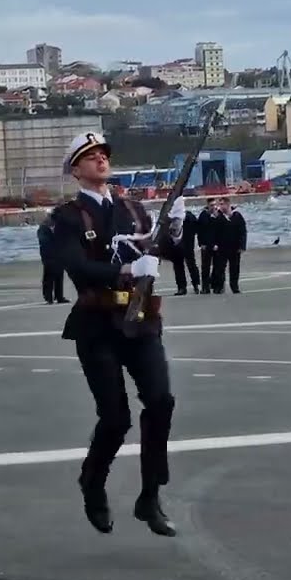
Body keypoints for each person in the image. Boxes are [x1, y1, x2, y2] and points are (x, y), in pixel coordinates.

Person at [49, 130, 186, 537]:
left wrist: (176, 228)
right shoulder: (68, 217)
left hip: (140, 317)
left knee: (161, 402)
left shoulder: (133, 209)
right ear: (76, 170)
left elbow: (163, 253)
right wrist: (125, 270)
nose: (100, 161)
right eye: (90, 156)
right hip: (96, 324)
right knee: (115, 417)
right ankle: (93, 482)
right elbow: (76, 265)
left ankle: (150, 495)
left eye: (103, 154)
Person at [38, 210, 68, 304]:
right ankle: (48, 297)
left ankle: (59, 296)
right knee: (49, 277)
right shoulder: (43, 229)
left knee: (59, 277)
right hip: (49, 257)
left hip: (59, 256)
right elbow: (45, 242)